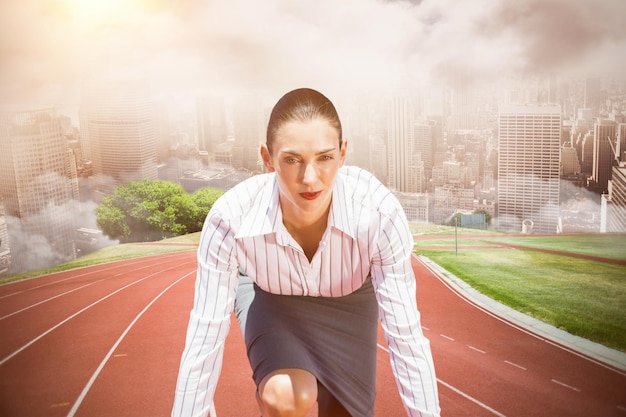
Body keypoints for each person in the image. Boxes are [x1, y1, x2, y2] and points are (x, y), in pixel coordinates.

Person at [172, 88, 440, 417]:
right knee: (286, 398)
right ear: (267, 158)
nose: (310, 178)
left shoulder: (378, 215)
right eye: (292, 159)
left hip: (351, 304)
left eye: (324, 158)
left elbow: (406, 339)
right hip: (273, 302)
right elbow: (204, 337)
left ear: (343, 154)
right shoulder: (230, 219)